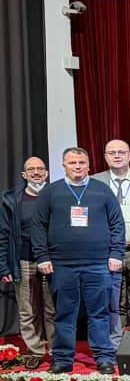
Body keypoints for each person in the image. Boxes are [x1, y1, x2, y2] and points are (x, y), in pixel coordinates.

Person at [32, 148, 123, 373]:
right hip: (61, 265)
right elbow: (38, 226)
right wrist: (42, 256)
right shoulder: (51, 192)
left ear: (89, 165)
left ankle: (104, 357)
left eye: (82, 162)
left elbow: (117, 224)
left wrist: (116, 254)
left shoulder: (102, 190)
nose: (78, 166)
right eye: (72, 163)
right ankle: (63, 359)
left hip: (98, 264)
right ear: (64, 166)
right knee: (64, 314)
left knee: (100, 313)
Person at [91, 138, 130, 338]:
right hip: (107, 251)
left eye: (121, 152)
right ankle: (117, 340)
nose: (117, 156)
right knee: (114, 299)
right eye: (112, 153)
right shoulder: (94, 182)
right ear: (105, 157)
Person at [0, 156, 54, 364]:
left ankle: (56, 351)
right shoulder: (12, 200)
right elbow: (3, 235)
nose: (36, 172)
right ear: (24, 175)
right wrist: (4, 266)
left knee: (52, 308)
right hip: (23, 261)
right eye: (31, 169)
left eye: (40, 169)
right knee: (28, 309)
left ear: (46, 173)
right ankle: (36, 351)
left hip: (52, 261)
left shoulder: (56, 195)